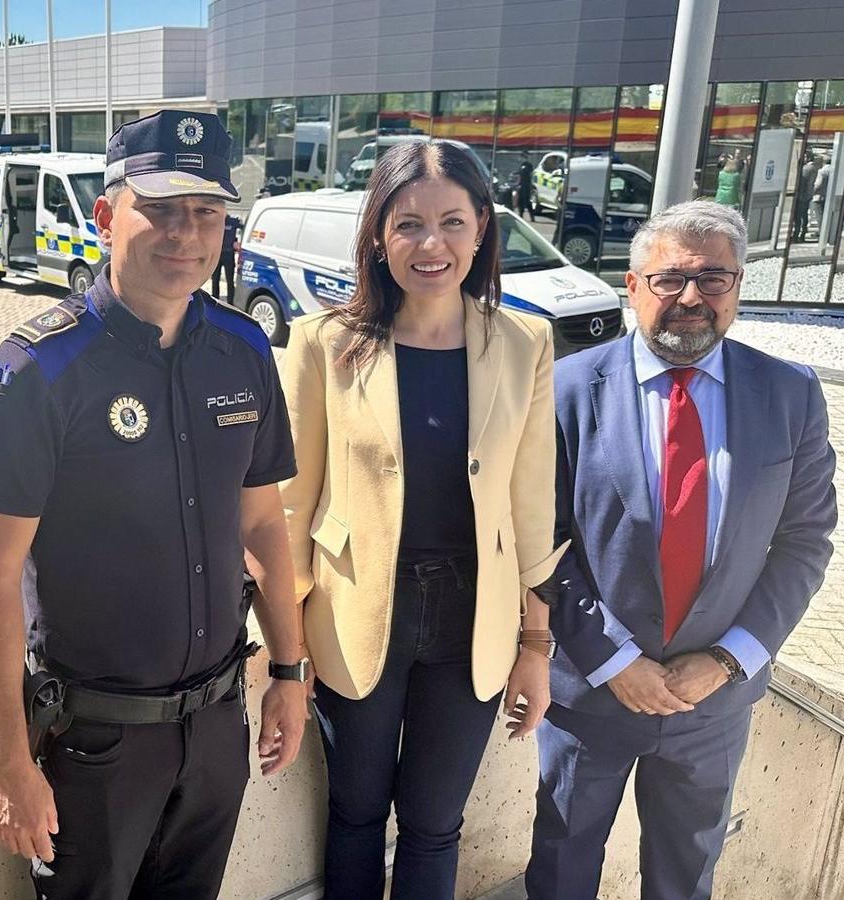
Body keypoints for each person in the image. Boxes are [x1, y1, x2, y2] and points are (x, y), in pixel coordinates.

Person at [0, 110, 310, 900]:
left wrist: (288, 671)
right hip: (94, 747)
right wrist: (8, 762)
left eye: (207, 213)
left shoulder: (245, 349)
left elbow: (260, 523)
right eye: (159, 208)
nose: (184, 233)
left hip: (219, 727)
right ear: (105, 213)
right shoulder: (38, 373)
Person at [277, 139, 564, 900]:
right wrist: (280, 649)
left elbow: (532, 509)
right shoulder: (323, 344)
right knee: (357, 812)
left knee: (436, 822)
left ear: (482, 231)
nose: (430, 244)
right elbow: (287, 508)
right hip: (356, 609)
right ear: (377, 233)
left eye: (452, 222)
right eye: (408, 224)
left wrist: (536, 645)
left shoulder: (524, 344)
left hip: (474, 619)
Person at [527, 200, 838, 900]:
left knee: (684, 881)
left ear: (738, 287)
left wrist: (730, 659)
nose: (691, 297)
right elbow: (541, 542)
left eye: (714, 278)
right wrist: (614, 660)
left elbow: (805, 542)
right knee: (559, 870)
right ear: (633, 287)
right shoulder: (566, 391)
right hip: (593, 698)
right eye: (669, 280)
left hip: (715, 704)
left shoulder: (791, 393)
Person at [791, 149, 820, 242]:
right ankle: (802, 234)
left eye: (804, 157)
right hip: (807, 196)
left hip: (801, 196)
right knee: (804, 216)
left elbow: (802, 183)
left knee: (799, 217)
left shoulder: (806, 169)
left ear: (808, 158)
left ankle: (797, 235)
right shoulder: (815, 168)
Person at [211, 211, 241, 300]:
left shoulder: (232, 221)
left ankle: (231, 302)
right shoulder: (215, 221)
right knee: (215, 279)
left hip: (229, 254)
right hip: (217, 254)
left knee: (229, 280)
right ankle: (214, 300)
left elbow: (245, 228)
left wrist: (239, 241)